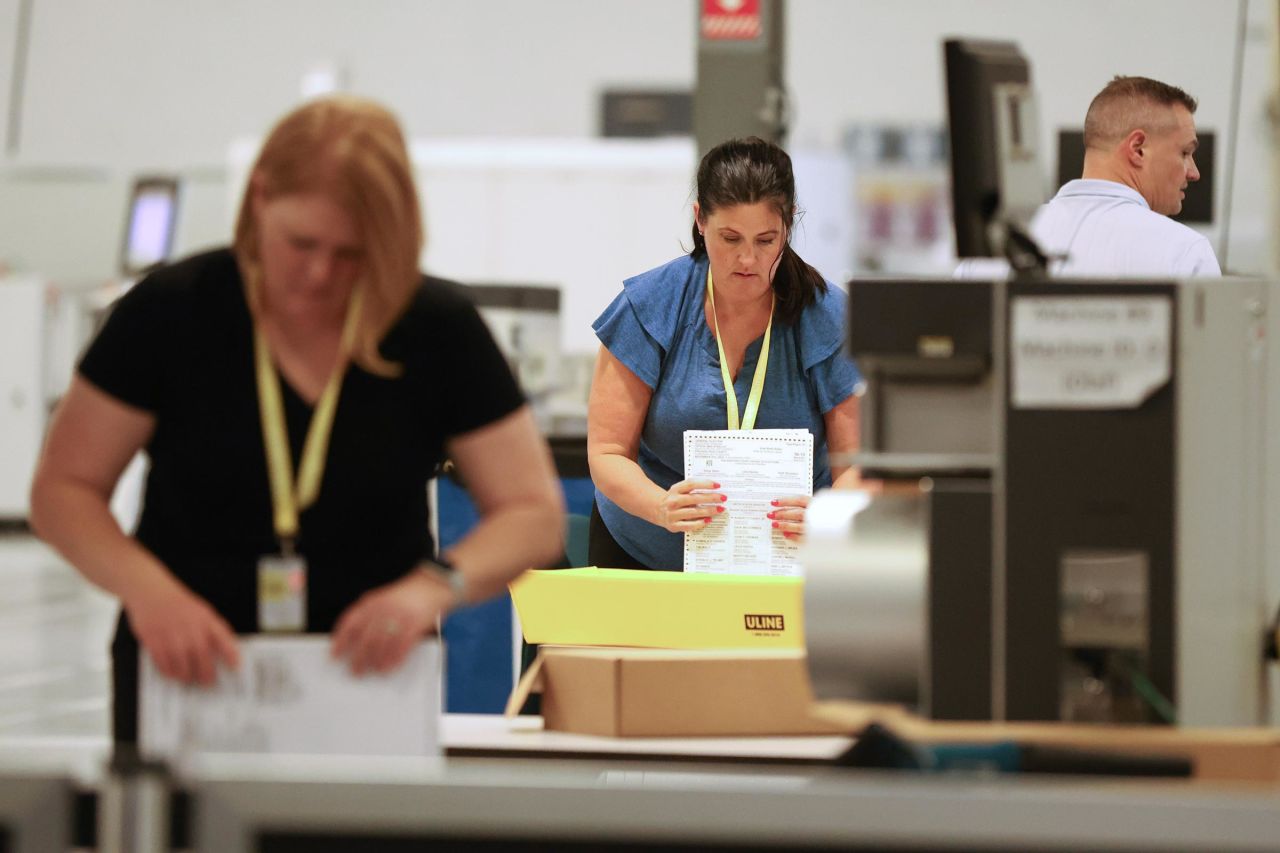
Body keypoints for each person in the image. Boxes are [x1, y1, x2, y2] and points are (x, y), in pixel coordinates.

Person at [28, 95, 565, 744]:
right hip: (188, 674)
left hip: (373, 678)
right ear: (259, 199)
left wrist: (432, 588)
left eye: (351, 254)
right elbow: (63, 492)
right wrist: (149, 594)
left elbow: (532, 513)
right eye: (301, 243)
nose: (319, 274)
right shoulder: (170, 314)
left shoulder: (432, 328)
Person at [587, 137, 862, 571]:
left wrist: (826, 517)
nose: (747, 258)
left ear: (788, 226)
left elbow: (857, 464)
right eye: (730, 238)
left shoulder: (828, 317)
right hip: (645, 553)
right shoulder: (649, 307)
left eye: (766, 240)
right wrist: (661, 506)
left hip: (785, 557)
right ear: (700, 220)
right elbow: (607, 452)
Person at [962, 75, 1219, 278]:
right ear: (1138, 149)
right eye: (1185, 152)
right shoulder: (1184, 252)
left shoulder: (993, 245)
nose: (1194, 173)